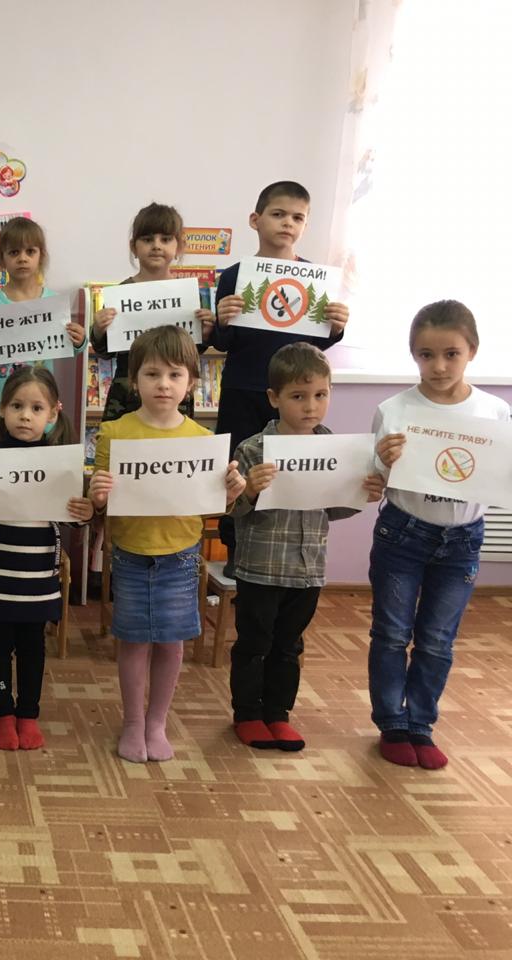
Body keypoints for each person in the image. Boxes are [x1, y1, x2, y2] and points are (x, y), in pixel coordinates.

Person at [88, 326, 246, 763]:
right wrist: (97, 495)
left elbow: (214, 508)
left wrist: (231, 494)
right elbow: (99, 504)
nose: (163, 384)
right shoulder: (114, 433)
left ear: (191, 382)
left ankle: (156, 722)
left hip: (180, 555)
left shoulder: (202, 441)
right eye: (152, 374)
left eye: (175, 375)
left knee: (172, 642)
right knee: (134, 641)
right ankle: (133, 722)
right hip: (131, 553)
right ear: (134, 379)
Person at [369, 300, 509, 770]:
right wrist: (383, 461)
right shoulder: (394, 409)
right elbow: (373, 480)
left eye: (451, 354)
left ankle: (421, 724)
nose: (439, 366)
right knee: (391, 633)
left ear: (472, 351)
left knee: (436, 639)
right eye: (426, 355)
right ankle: (392, 723)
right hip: (403, 533)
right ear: (414, 354)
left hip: (462, 538)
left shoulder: (495, 412)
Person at [229, 343, 384, 751]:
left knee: (289, 646)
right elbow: (232, 510)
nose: (311, 406)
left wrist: (362, 495)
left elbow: (333, 509)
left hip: (308, 569)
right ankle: (247, 714)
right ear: (274, 398)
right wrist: (250, 491)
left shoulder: (334, 448)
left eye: (320, 395)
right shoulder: (253, 449)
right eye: (298, 396)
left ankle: (278, 714)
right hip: (260, 568)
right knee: (254, 644)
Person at [208, 182, 350, 563]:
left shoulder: (315, 279)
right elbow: (224, 342)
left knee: (292, 472)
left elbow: (314, 348)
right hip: (243, 390)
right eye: (278, 214)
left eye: (298, 217)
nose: (288, 223)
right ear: (255, 220)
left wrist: (336, 328)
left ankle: (288, 557)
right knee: (236, 471)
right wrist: (222, 322)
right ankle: (236, 556)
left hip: (295, 396)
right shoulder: (234, 276)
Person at [0, 366, 92, 749]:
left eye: (36, 408)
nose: (25, 416)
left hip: (37, 577)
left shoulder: (59, 464)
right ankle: (2, 714)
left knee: (33, 648)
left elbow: (73, 520)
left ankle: (28, 714)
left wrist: (85, 513)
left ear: (53, 413)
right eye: (16, 406)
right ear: (1, 410)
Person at [89, 202, 215, 422]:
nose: (156, 246)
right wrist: (99, 330)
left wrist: (205, 334)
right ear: (133, 247)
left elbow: (193, 351)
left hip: (174, 396)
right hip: (127, 394)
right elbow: (105, 352)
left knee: (173, 443)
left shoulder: (189, 295)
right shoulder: (121, 293)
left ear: (179, 247)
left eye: (165, 239)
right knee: (121, 443)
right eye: (147, 240)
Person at [0, 216, 86, 448]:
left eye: (30, 251)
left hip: (39, 403)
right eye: (14, 252)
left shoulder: (52, 302)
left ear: (41, 256)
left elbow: (68, 347)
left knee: (37, 463)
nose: (22, 258)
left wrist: (79, 340)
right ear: (2, 259)